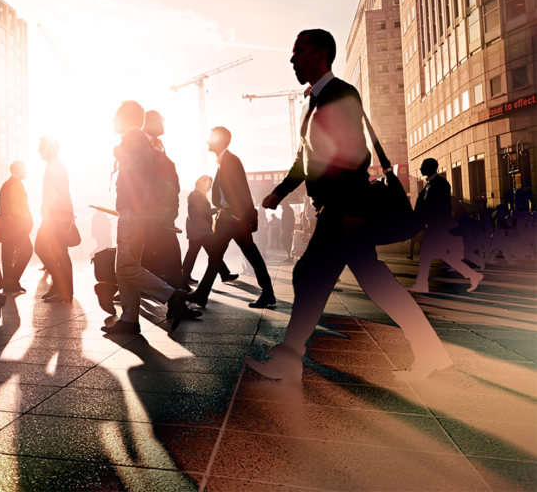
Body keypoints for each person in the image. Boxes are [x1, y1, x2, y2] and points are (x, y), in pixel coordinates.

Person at [250, 29, 451, 382]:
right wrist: (279, 192)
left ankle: (288, 359)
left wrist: (353, 208)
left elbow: (357, 153)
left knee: (309, 274)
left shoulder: (341, 94)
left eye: (299, 52)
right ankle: (431, 352)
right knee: (374, 281)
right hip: (337, 208)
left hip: (343, 209)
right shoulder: (312, 103)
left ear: (321, 55)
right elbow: (303, 159)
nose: (293, 59)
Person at [100, 101, 200, 335]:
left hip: (133, 213)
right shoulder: (137, 137)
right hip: (136, 212)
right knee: (127, 266)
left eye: (116, 115)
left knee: (124, 267)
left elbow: (142, 165)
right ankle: (129, 319)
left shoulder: (133, 136)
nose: (113, 119)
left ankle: (172, 295)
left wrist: (121, 153)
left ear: (127, 117)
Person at [192, 127, 276, 309]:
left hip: (234, 219)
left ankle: (268, 293)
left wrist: (239, 216)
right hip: (227, 218)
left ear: (220, 140)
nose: (207, 141)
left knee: (250, 254)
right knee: (216, 256)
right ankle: (201, 294)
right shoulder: (223, 162)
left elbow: (241, 189)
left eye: (211, 138)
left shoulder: (231, 160)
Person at [408, 159, 484, 293]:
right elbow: (422, 208)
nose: (420, 169)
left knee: (426, 255)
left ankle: (422, 285)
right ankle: (473, 275)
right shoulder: (428, 186)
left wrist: (425, 227)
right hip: (434, 225)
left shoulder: (441, 184)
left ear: (431, 167)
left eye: (423, 166)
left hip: (437, 225)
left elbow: (437, 208)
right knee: (440, 255)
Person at [138, 110, 184, 287]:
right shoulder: (141, 142)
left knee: (159, 251)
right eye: (160, 120)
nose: (163, 124)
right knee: (157, 251)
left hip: (163, 210)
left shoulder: (158, 145)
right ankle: (176, 293)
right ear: (150, 121)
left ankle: (175, 291)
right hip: (150, 211)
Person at [34, 137, 74, 303]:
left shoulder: (55, 167)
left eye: (40, 148)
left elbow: (55, 194)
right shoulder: (53, 166)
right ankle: (60, 286)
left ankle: (63, 289)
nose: (38, 151)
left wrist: (47, 215)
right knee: (51, 250)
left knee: (56, 252)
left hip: (56, 215)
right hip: (56, 214)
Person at [182, 175, 236, 287]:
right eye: (209, 184)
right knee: (213, 253)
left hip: (196, 230)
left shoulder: (193, 195)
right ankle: (225, 274)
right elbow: (203, 212)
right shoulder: (199, 196)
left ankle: (185, 276)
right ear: (203, 183)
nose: (210, 187)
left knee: (193, 253)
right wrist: (218, 209)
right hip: (202, 231)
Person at [0, 160, 34, 296]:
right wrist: (28, 221)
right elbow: (21, 206)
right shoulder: (16, 184)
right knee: (27, 251)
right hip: (16, 226)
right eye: (24, 169)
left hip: (7, 226)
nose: (26, 172)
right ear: (17, 170)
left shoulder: (6, 184)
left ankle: (8, 284)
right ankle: (12, 280)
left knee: (7, 254)